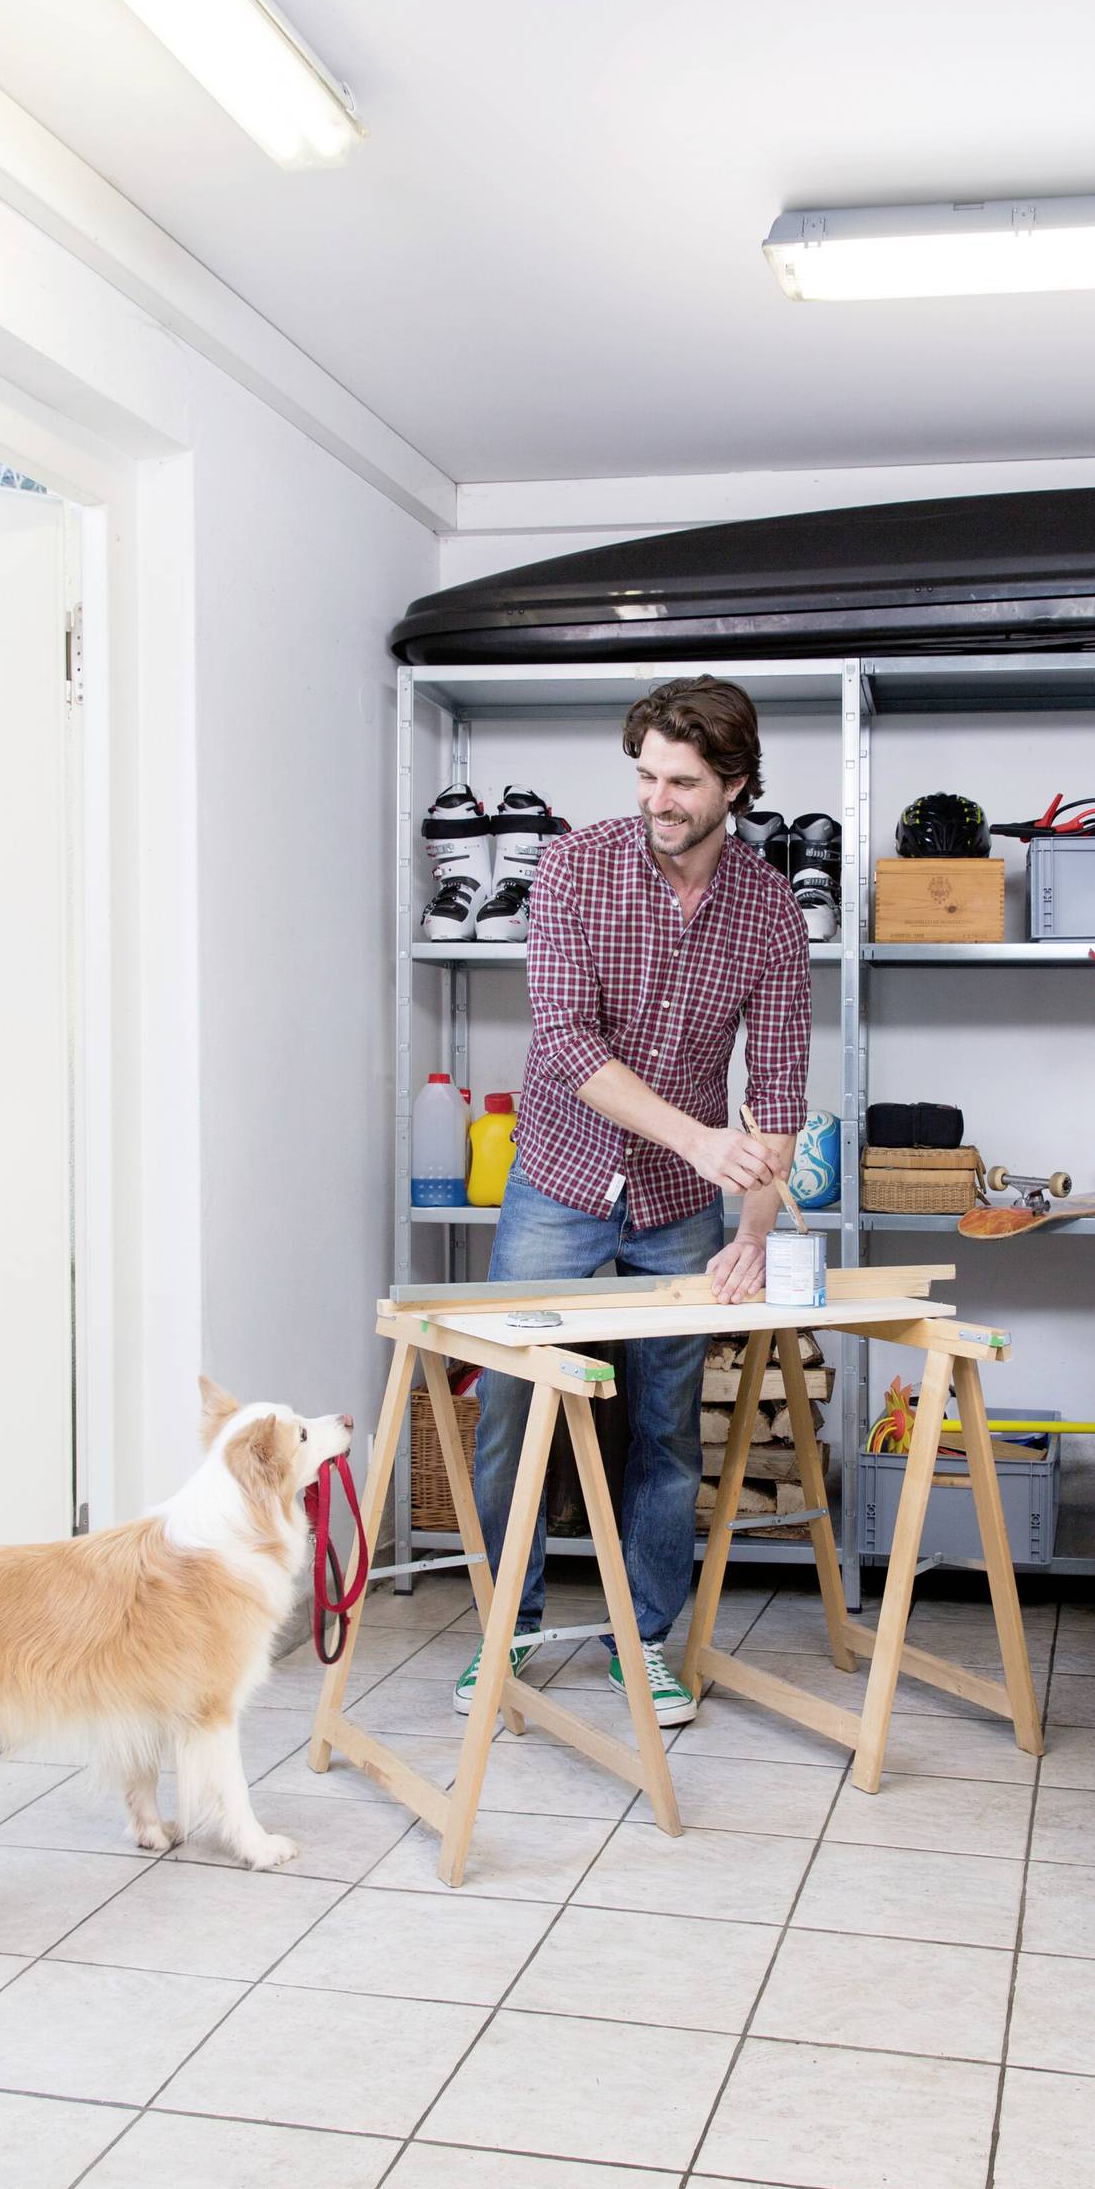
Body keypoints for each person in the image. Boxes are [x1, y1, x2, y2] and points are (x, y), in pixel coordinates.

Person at [457, 674, 810, 1726]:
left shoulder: (769, 909)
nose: (657, 797)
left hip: (679, 1212)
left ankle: (644, 1640)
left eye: (682, 781)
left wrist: (751, 1235)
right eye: (646, 775)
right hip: (558, 1181)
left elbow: (780, 1086)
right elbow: (563, 1041)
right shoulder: (571, 864)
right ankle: (504, 1634)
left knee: (663, 1429)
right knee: (511, 1413)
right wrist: (701, 1140)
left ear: (733, 784)